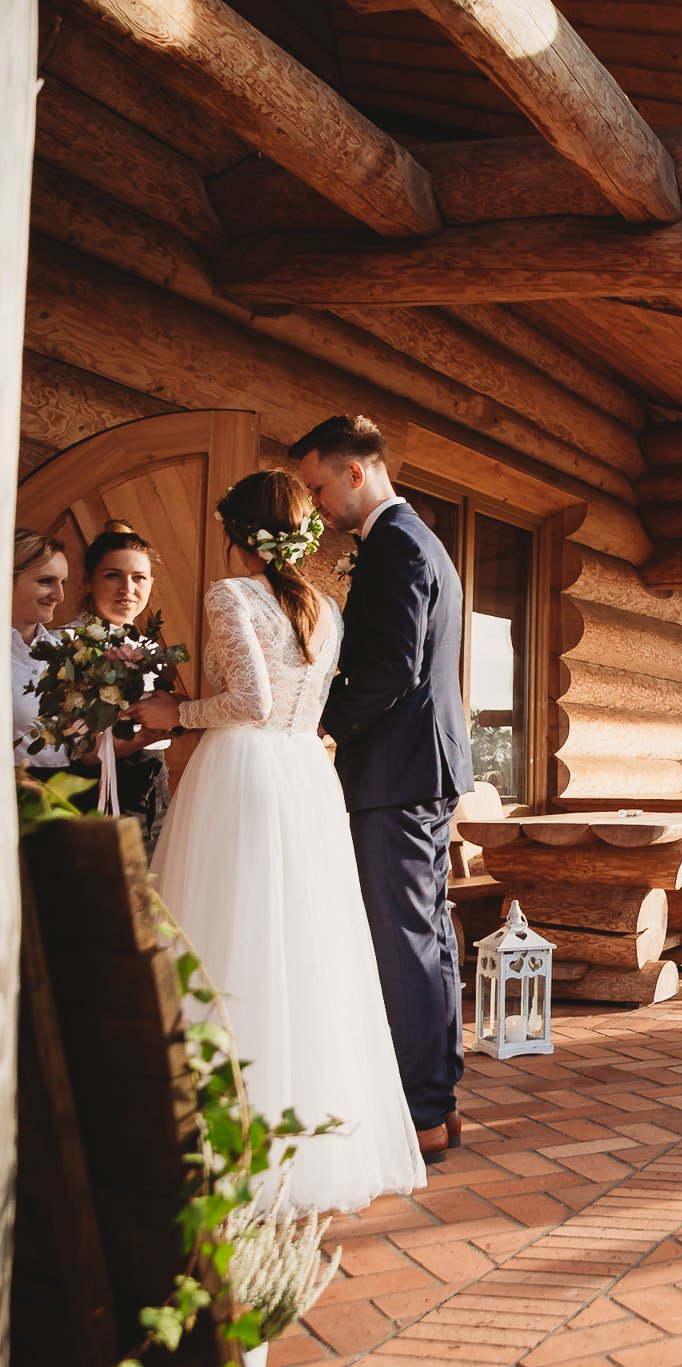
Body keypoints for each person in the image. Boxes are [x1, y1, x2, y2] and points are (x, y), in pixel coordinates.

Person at [131, 471, 426, 1212]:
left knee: (228, 937)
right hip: (304, 776)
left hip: (246, 772)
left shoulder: (231, 594)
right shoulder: (325, 606)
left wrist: (176, 712)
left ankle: (221, 1137)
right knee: (303, 951)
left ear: (237, 531)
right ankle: (308, 1141)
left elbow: (251, 704)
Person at [297, 416, 474, 1162]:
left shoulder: (398, 545)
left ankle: (424, 1108)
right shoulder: (421, 540)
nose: (318, 504)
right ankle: (438, 1097)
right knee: (427, 933)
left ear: (357, 473)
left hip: (397, 771)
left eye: (320, 486)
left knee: (405, 938)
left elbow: (394, 664)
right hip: (420, 768)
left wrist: (319, 717)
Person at [64, 521, 178, 852]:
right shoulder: (67, 645)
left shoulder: (151, 649)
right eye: (113, 575)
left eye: (138, 578)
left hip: (154, 785)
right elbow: (85, 752)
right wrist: (157, 729)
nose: (127, 588)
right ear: (87, 581)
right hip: (96, 792)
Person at [12, 531, 70, 771]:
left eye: (62, 582)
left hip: (66, 792)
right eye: (46, 581)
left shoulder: (61, 651)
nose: (59, 596)